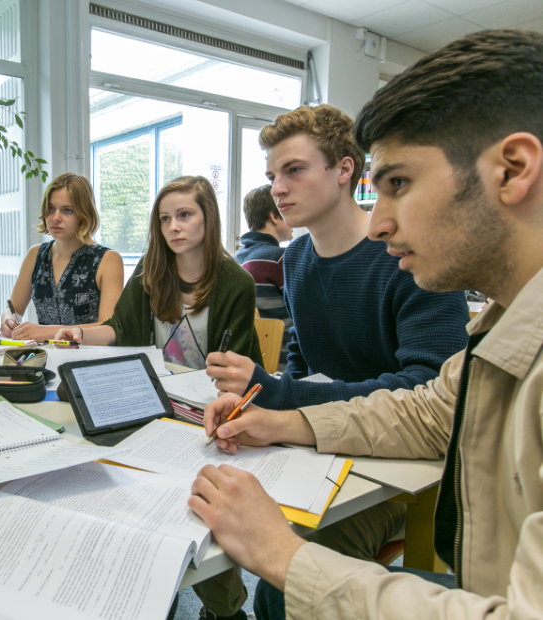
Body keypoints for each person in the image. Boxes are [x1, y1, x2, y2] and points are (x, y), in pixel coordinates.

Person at [191, 29, 543, 620]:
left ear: (513, 170)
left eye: (399, 184)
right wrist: (281, 419)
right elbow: (430, 408)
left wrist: (284, 557)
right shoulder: (509, 324)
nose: (380, 224)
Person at [193, 104, 471, 620]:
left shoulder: (409, 257)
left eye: (294, 170)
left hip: (402, 474)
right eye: (272, 175)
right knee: (210, 508)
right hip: (320, 449)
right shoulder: (293, 260)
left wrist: (282, 399)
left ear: (345, 170)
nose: (278, 188)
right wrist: (263, 403)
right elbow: (301, 360)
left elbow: (426, 389)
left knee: (285, 585)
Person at [56, 176, 262, 370]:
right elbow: (120, 328)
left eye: (184, 215)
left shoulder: (237, 282)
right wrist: (79, 333)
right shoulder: (150, 267)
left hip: (211, 397)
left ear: (209, 217)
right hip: (159, 389)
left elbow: (235, 366)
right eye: (165, 218)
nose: (173, 227)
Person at [0, 173, 124, 342]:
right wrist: (7, 319)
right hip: (44, 358)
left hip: (88, 360)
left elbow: (109, 327)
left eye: (67, 210)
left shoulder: (108, 260)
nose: (55, 218)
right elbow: (13, 309)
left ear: (84, 213)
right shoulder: (35, 255)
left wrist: (45, 332)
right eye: (50, 208)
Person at [233, 184, 293, 369]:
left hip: (250, 362)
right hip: (285, 363)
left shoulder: (235, 260)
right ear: (274, 217)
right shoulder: (282, 259)